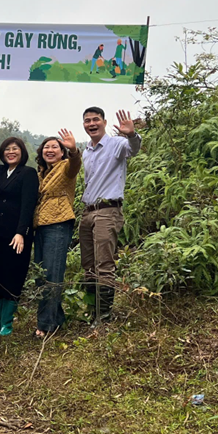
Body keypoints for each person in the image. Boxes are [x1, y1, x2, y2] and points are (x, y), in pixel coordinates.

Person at [0, 115, 39, 337]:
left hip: (17, 235)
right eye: (7, 150)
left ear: (22, 152)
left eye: (15, 149)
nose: (11, 152)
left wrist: (21, 233)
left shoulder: (28, 173)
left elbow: (28, 205)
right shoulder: (2, 171)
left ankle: (7, 325)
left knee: (14, 275)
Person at [80, 108, 141, 322]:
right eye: (87, 121)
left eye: (96, 119)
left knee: (104, 264)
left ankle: (104, 317)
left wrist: (131, 134)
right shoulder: (87, 151)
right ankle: (92, 312)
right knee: (88, 265)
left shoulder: (117, 144)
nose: (92, 123)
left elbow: (133, 149)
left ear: (104, 122)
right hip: (88, 211)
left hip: (107, 210)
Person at [32, 129, 81, 335]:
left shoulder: (66, 167)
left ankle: (46, 326)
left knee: (52, 274)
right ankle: (57, 319)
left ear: (62, 152)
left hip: (58, 224)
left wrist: (74, 150)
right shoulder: (41, 173)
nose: (50, 150)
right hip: (40, 226)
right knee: (40, 274)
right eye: (46, 147)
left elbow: (75, 165)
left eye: (55, 147)